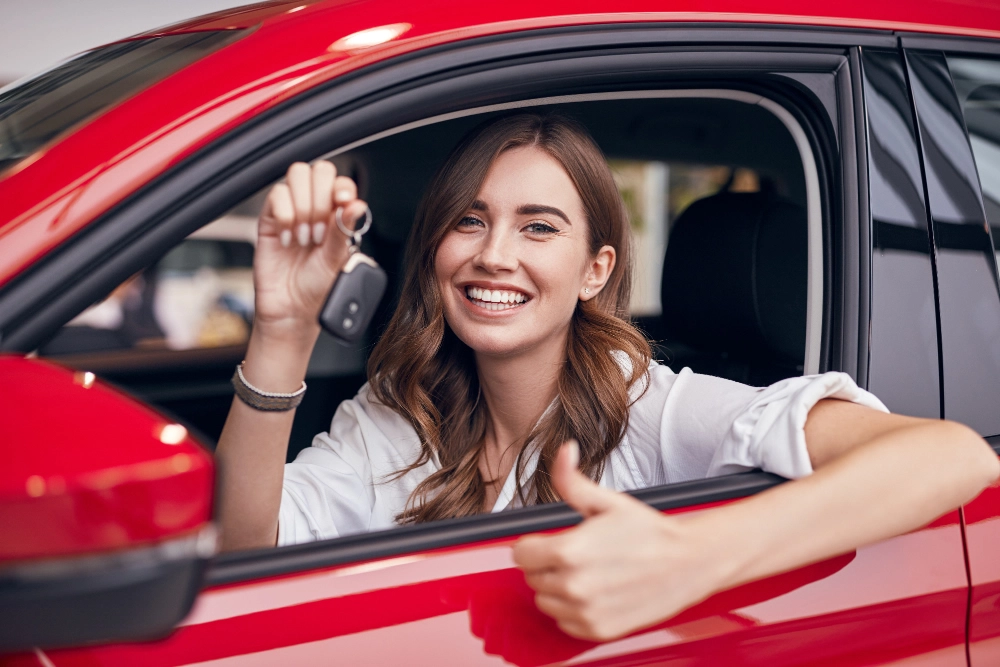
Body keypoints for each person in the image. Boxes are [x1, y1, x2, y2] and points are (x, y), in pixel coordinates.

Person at [215, 113, 1000, 641]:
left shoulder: (651, 408)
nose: (494, 254)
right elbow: (245, 546)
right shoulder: (398, 410)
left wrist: (694, 556)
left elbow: (955, 457)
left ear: (595, 271)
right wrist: (284, 329)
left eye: (538, 227)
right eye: (470, 219)